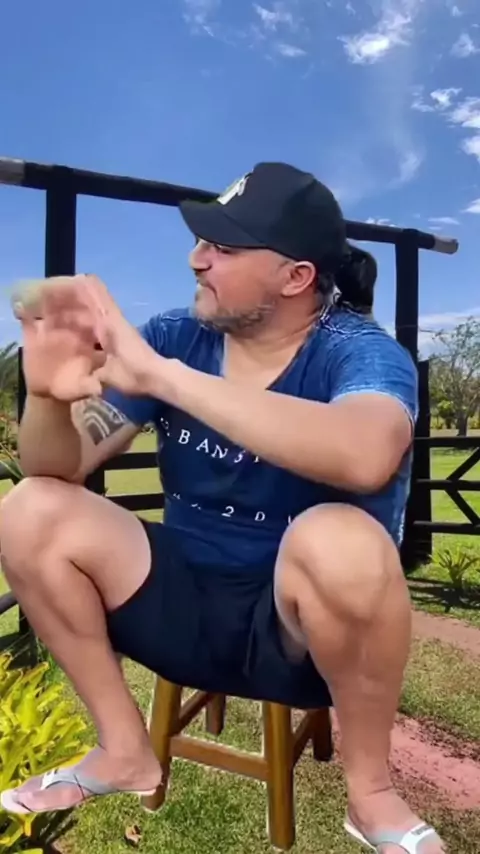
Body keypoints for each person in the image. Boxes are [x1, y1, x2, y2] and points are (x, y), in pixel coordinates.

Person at [0, 162, 445, 853]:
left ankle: (372, 795)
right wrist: (50, 399)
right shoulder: (176, 336)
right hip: (180, 605)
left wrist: (164, 379)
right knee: (31, 508)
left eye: (224, 248)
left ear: (295, 277)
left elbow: (365, 453)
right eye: (202, 241)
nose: (196, 259)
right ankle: (122, 750)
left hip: (299, 637)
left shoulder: (359, 352)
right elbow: (55, 468)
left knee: (342, 539)